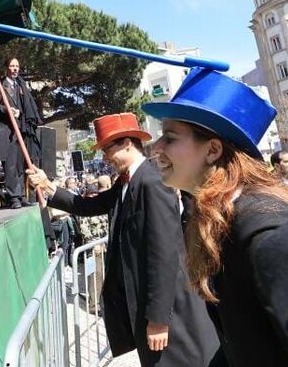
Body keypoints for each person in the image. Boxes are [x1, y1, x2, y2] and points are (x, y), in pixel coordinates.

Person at [140, 69, 288, 366]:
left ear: (213, 150)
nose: (156, 148)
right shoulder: (215, 217)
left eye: (169, 137)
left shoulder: (263, 227)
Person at [27, 113, 220, 367]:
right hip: (146, 308)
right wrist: (49, 187)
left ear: (128, 143)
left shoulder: (152, 182)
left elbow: (165, 253)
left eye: (108, 148)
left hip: (168, 313)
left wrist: (159, 319)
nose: (105, 156)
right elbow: (88, 205)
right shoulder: (127, 181)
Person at [0, 57, 42, 208]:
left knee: (21, 164)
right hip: (7, 132)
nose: (15, 69)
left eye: (17, 66)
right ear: (6, 68)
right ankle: (14, 198)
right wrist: (8, 110)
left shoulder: (21, 85)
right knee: (11, 165)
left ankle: (22, 195)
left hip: (22, 130)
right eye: (12, 66)